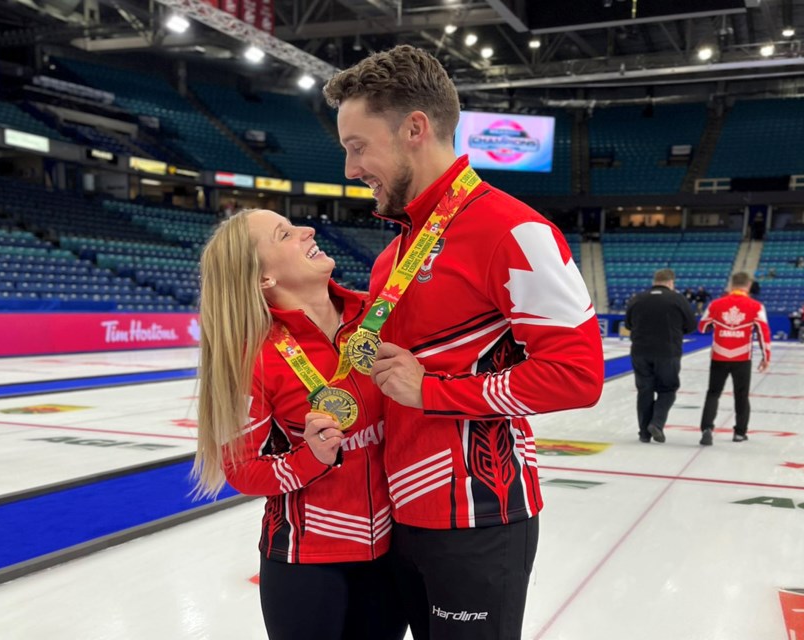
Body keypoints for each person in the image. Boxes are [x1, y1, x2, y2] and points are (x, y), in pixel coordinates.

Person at [323, 44, 604, 640]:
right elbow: (392, 376)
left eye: (357, 146)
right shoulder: (393, 253)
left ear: (415, 130)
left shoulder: (515, 231)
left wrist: (436, 392)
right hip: (398, 516)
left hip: (481, 517)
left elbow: (579, 376)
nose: (350, 169)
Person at [191, 210, 406, 640]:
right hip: (306, 562)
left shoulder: (376, 318)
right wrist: (312, 458)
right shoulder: (251, 357)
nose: (308, 230)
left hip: (392, 551)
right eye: (285, 234)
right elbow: (243, 470)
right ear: (263, 279)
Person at [697, 272, 771, 446]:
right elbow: (763, 333)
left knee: (713, 393)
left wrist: (719, 326)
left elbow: (702, 327)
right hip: (742, 357)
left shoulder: (716, 304)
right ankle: (739, 432)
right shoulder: (756, 306)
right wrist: (766, 357)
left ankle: (707, 429)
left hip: (719, 355)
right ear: (748, 285)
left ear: (731, 285)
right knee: (742, 395)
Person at [624, 269, 696, 444]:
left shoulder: (637, 298)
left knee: (644, 391)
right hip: (667, 352)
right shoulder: (677, 299)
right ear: (671, 282)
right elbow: (691, 325)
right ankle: (656, 423)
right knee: (667, 390)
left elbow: (628, 324)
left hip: (640, 351)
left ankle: (643, 432)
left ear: (655, 280)